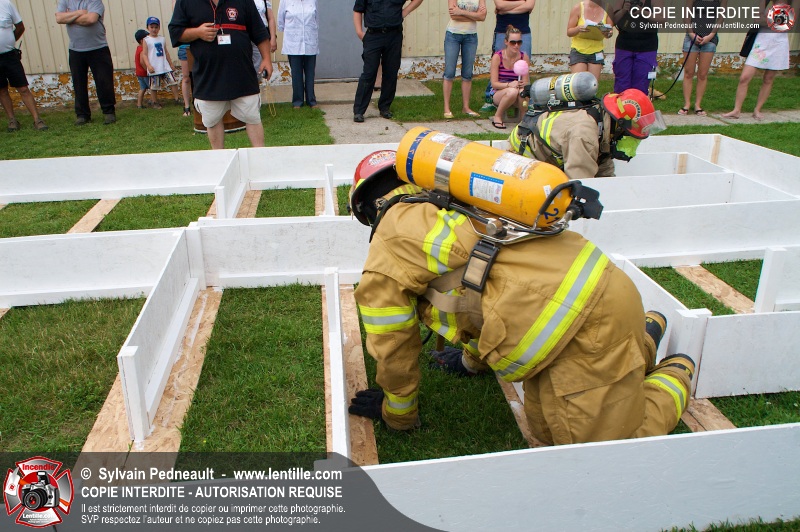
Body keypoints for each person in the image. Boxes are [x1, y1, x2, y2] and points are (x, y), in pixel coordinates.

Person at [346, 145, 694, 444]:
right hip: (596, 290)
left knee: (591, 448)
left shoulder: (388, 248)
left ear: (366, 209)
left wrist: (398, 413)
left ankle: (675, 375)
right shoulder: (459, 201)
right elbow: (483, 291)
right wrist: (470, 362)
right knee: (544, 427)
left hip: (579, 325)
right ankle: (642, 338)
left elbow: (393, 343)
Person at [169, 0, 273, 149]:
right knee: (212, 120)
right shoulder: (186, 2)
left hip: (242, 74)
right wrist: (197, 32)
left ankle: (259, 156)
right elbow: (175, 32)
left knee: (253, 117)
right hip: (208, 76)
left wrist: (267, 59)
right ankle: (219, 158)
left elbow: (259, 32)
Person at [508, 87, 666, 178]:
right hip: (523, 159)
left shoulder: (604, 126)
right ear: (620, 127)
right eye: (632, 136)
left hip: (548, 155)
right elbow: (580, 183)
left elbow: (603, 167)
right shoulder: (585, 136)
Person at [352, 0, 424, 123]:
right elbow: (357, 10)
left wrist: (405, 11)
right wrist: (359, 32)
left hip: (394, 35)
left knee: (391, 72)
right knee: (369, 72)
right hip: (373, 35)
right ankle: (359, 111)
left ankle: (385, 107)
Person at [722, 0, 790, 121]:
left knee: (768, 78)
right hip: (761, 42)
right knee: (744, 77)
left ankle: (757, 109)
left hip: (778, 44)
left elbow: (789, 25)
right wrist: (776, 21)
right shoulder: (767, 2)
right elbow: (758, 20)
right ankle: (736, 110)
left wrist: (767, 21)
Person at [55, 0, 116, 126]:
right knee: (78, 83)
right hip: (75, 50)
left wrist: (69, 17)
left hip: (99, 48)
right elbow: (59, 18)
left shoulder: (95, 1)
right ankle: (82, 115)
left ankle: (109, 111)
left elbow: (91, 19)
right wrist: (80, 13)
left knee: (104, 81)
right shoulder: (65, 1)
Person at [0, 0, 47, 132]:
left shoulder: (6, 4)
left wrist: (9, 41)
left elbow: (20, 27)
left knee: (23, 88)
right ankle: (12, 120)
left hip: (10, 56)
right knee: (2, 90)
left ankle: (37, 120)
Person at [481, 0, 535, 113]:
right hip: (502, 30)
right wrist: (522, 3)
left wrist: (506, 10)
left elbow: (529, 5)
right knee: (499, 62)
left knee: (524, 66)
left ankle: (526, 99)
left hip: (524, 31)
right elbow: (500, 5)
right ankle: (491, 97)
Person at [678, 0, 724, 116]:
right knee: (689, 72)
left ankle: (698, 105)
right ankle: (687, 104)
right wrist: (691, 34)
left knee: (702, 74)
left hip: (710, 38)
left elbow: (720, 18)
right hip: (692, 36)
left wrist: (710, 36)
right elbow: (686, 16)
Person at [442, 0, 486, 119]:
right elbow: (453, 15)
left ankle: (466, 107)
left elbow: (482, 16)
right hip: (453, 35)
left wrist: (461, 12)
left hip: (471, 36)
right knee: (449, 71)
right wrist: (474, 15)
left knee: (467, 73)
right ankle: (446, 108)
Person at [611, 0, 662, 94]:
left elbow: (662, 20)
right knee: (622, 82)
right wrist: (623, 10)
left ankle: (638, 102)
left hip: (647, 46)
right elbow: (612, 21)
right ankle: (621, 102)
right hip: (624, 45)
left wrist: (642, 11)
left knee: (641, 82)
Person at [278, 0, 319, 109]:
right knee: (296, 74)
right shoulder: (285, 1)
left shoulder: (313, 1)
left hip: (310, 42)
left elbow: (316, 19)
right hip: (293, 44)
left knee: (310, 74)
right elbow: (281, 22)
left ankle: (311, 101)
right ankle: (297, 101)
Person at [488, 25, 529, 130]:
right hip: (499, 92)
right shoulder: (497, 57)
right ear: (506, 42)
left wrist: (521, 85)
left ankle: (524, 119)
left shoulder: (524, 57)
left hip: (517, 91)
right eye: (513, 42)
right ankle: (497, 116)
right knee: (512, 92)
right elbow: (494, 84)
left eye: (519, 42)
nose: (516, 45)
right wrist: (509, 85)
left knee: (523, 92)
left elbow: (526, 81)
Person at [567, 0, 613, 83]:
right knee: (578, 83)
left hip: (597, 51)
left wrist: (607, 33)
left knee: (592, 84)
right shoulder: (578, 8)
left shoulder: (608, 9)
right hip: (578, 50)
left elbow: (609, 33)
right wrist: (578, 29)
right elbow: (569, 32)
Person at [142, 17, 180, 109]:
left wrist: (171, 64)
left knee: (173, 82)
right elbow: (144, 54)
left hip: (164, 66)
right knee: (154, 86)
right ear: (148, 28)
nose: (154, 29)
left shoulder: (162, 39)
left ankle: (177, 99)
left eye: (156, 27)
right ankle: (154, 102)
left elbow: (166, 52)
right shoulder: (146, 40)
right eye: (152, 27)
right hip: (154, 67)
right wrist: (148, 65)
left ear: (159, 28)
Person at [172, 0, 193, 117]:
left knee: (199, 76)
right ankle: (186, 106)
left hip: (198, 45)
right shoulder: (179, 4)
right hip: (185, 47)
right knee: (186, 77)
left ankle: (199, 104)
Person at [252, 0, 277, 73]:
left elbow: (270, 18)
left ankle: (257, 79)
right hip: (245, 34)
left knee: (259, 65)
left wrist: (273, 38)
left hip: (261, 35)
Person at [133, 29, 151, 109]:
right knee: (152, 87)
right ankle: (154, 101)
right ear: (141, 41)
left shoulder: (138, 48)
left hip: (139, 73)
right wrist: (148, 70)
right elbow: (142, 62)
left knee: (142, 88)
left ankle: (139, 104)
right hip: (144, 73)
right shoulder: (142, 49)